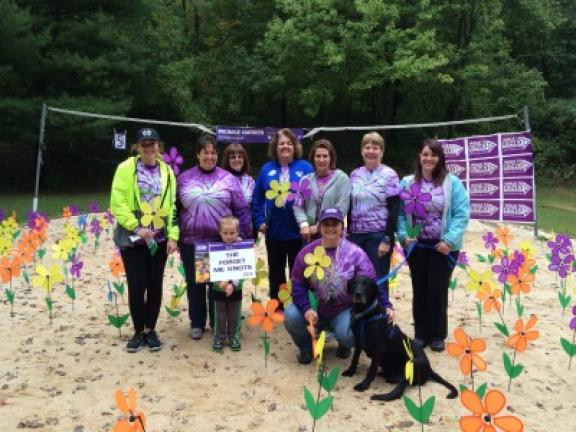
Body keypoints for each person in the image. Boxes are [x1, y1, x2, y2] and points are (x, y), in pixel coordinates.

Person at [284, 208, 395, 364]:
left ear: (342, 227)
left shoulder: (355, 253)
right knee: (290, 315)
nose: (330, 228)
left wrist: (387, 305)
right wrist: (306, 308)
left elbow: (371, 282)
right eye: (326, 224)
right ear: (320, 227)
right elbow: (298, 285)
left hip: (344, 309)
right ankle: (306, 348)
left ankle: (344, 344)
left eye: (335, 224)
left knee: (348, 335)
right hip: (315, 308)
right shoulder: (306, 252)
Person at [397, 138, 470, 352]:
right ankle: (421, 333)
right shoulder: (407, 183)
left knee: (436, 290)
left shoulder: (452, 183)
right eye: (425, 154)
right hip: (417, 247)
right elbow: (401, 214)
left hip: (442, 248)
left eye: (433, 155)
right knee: (419, 289)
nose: (429, 158)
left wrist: (449, 241)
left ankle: (437, 334)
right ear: (419, 157)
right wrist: (404, 235)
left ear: (440, 158)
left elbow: (461, 214)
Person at [110, 127, 179, 352]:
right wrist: (136, 227)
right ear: (138, 147)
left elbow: (173, 206)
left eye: (153, 144)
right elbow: (118, 201)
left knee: (154, 283)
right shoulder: (125, 169)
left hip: (158, 239)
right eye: (144, 144)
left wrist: (172, 236)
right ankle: (138, 331)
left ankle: (151, 330)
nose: (149, 148)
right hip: (133, 238)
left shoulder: (167, 171)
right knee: (137, 285)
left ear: (159, 146)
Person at [177, 134, 251, 340]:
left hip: (220, 243)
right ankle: (197, 322)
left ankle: (216, 322)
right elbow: (175, 209)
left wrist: (244, 238)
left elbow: (242, 209)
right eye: (205, 152)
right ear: (198, 154)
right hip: (191, 242)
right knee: (196, 284)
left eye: (213, 152)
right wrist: (173, 235)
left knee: (218, 285)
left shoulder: (228, 179)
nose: (209, 156)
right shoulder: (183, 179)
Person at [252, 128, 313, 303]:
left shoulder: (305, 167)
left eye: (288, 143)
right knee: (276, 272)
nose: (285, 146)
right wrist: (259, 221)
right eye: (281, 144)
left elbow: (312, 198)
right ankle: (277, 307)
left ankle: (298, 305)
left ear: (294, 146)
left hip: (298, 232)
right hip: (274, 232)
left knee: (298, 272)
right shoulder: (266, 169)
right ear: (275, 147)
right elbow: (257, 198)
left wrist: (309, 224)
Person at [348, 132, 400, 295]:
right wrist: (348, 232)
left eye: (375, 147)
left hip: (378, 235)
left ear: (382, 151)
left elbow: (394, 208)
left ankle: (381, 316)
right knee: (357, 280)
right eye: (367, 147)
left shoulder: (390, 175)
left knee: (378, 279)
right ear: (362, 150)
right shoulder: (354, 174)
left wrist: (387, 238)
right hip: (356, 235)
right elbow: (350, 205)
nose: (370, 151)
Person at [293, 139, 351, 243]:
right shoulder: (305, 180)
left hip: (332, 234)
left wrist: (320, 225)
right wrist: (304, 224)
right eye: (318, 156)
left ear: (331, 158)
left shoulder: (342, 178)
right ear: (313, 158)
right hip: (309, 236)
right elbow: (297, 205)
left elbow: (342, 207)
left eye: (325, 156)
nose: (321, 160)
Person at [210, 216, 244, 352]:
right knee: (219, 314)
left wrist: (233, 285)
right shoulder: (213, 248)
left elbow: (243, 268)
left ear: (237, 232)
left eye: (232, 233)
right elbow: (208, 268)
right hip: (218, 288)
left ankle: (234, 336)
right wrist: (220, 282)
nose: (229, 236)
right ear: (219, 232)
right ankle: (219, 337)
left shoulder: (242, 248)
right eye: (225, 233)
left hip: (236, 289)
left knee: (235, 314)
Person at [221, 143, 255, 209]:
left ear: (244, 159)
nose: (237, 159)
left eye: (240, 156)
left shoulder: (250, 181)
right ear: (227, 161)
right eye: (233, 157)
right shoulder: (221, 181)